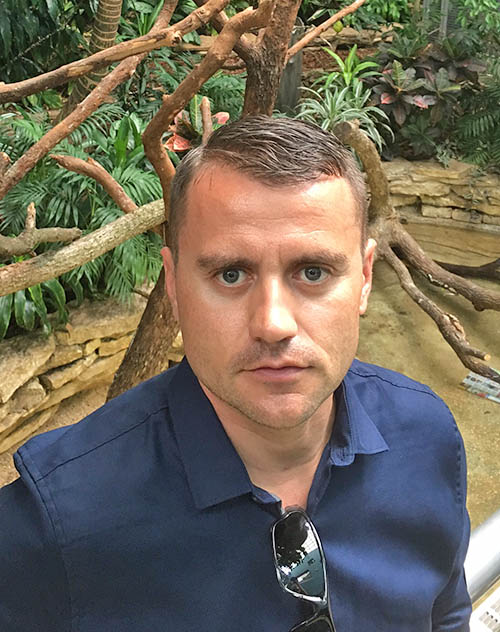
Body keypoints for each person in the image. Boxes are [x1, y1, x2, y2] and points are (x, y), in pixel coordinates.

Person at [0, 116, 471, 631]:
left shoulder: (425, 437)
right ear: (174, 287)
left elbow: (445, 613)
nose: (273, 324)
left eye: (313, 272)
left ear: (363, 279)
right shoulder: (55, 521)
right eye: (231, 274)